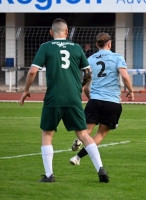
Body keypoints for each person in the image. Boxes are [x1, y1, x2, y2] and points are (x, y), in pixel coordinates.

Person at [19, 18, 109, 183]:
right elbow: (88, 73)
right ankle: (101, 169)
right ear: (67, 32)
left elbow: (32, 72)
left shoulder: (46, 47)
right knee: (83, 134)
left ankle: (49, 175)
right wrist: (80, 88)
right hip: (74, 97)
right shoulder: (76, 47)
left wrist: (26, 90)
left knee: (47, 134)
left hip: (54, 97)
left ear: (51, 32)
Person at [69, 32, 134, 165]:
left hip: (95, 100)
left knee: (86, 131)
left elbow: (86, 85)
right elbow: (124, 76)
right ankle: (77, 158)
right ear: (109, 44)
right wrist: (131, 91)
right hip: (112, 101)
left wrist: (92, 99)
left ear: (96, 44)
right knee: (101, 134)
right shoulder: (117, 57)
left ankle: (80, 140)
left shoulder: (90, 59)